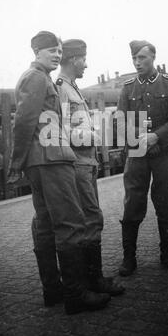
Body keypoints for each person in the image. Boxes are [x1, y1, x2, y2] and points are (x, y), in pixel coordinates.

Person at [8, 31, 110, 314]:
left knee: (46, 225)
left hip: (42, 160)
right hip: (52, 160)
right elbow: (24, 122)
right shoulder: (37, 78)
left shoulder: (38, 77)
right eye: (51, 50)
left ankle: (53, 291)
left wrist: (21, 163)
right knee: (70, 224)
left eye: (59, 50)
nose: (56, 55)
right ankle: (76, 295)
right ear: (37, 52)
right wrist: (16, 163)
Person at [55, 38, 124, 296]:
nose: (86, 64)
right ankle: (92, 281)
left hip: (87, 163)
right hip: (78, 164)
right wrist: (94, 137)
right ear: (74, 59)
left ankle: (93, 279)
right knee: (91, 219)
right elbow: (60, 132)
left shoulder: (72, 87)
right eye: (83, 59)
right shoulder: (62, 89)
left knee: (90, 219)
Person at [117, 40, 168, 276]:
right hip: (137, 153)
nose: (137, 63)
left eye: (142, 58)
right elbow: (121, 120)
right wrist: (141, 138)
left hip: (164, 151)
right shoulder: (127, 88)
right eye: (134, 58)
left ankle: (167, 253)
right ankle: (129, 258)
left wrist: (156, 136)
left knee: (166, 202)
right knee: (133, 203)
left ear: (153, 57)